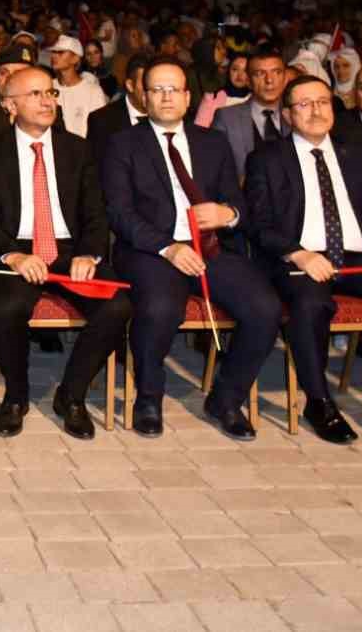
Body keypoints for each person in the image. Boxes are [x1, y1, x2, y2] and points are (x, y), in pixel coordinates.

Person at [101, 57, 281, 440]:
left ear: (187, 97)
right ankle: (148, 396)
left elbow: (240, 205)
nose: (166, 97)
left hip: (211, 248)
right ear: (143, 97)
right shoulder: (122, 144)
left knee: (265, 309)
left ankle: (227, 398)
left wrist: (226, 213)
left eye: (174, 90)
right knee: (161, 307)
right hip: (151, 251)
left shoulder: (213, 143)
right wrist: (167, 247)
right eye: (157, 90)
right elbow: (120, 213)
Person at [245, 73, 362, 446]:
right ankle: (319, 401)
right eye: (305, 104)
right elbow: (259, 225)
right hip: (299, 260)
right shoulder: (266, 159)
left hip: (357, 259)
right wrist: (300, 253)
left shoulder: (357, 155)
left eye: (323, 102)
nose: (316, 111)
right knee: (311, 303)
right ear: (288, 115)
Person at [0, 66, 131, 440]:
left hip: (69, 248)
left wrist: (89, 254)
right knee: (8, 309)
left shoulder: (77, 148)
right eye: (35, 94)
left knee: (117, 305)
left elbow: (95, 211)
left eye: (51, 93)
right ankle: (16, 395)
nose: (47, 101)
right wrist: (13, 255)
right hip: (18, 250)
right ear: (10, 104)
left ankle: (70, 395)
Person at [212, 48, 292, 179]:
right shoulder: (226, 118)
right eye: (260, 73)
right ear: (248, 81)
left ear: (285, 78)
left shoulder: (296, 115)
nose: (269, 80)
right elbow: (215, 169)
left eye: (276, 72)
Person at [85, 53, 150, 164]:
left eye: (155, 83)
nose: (151, 89)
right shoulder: (102, 120)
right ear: (130, 85)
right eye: (145, 84)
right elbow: (94, 169)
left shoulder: (166, 116)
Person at [44, 36, 105, 138]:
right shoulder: (47, 86)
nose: (54, 56)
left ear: (75, 58)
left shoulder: (93, 91)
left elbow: (100, 129)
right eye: (53, 52)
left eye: (60, 52)